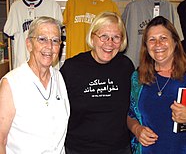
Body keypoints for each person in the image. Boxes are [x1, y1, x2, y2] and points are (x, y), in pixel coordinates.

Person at [127, 16, 186, 154]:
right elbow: (130, 114)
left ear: (175, 42)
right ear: (146, 46)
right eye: (152, 39)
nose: (158, 44)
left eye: (163, 38)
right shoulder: (138, 77)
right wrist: (137, 129)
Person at [60, 11, 135, 154]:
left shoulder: (126, 66)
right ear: (92, 38)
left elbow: (134, 107)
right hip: (79, 149)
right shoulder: (72, 68)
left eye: (116, 37)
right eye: (104, 36)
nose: (110, 43)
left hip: (119, 149)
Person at [0, 16, 70, 154]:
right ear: (29, 44)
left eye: (55, 41)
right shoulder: (11, 83)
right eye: (42, 39)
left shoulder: (59, 78)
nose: (49, 47)